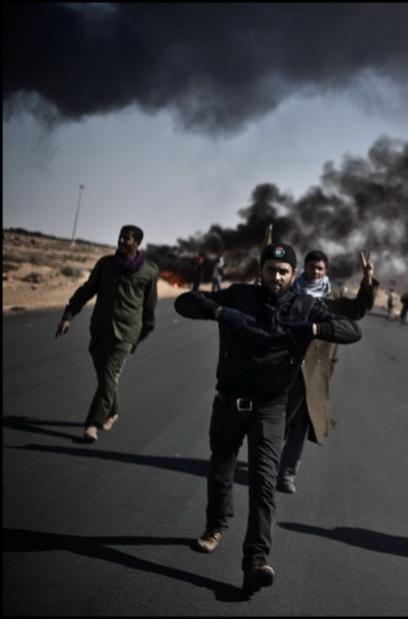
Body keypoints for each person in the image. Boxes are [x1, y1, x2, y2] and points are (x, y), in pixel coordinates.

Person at [174, 243, 361, 594]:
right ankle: (215, 526)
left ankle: (256, 560)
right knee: (221, 468)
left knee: (263, 483)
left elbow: (352, 329)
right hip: (229, 401)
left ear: (293, 276)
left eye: (283, 271)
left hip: (271, 408)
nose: (276, 276)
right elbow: (186, 303)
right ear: (260, 271)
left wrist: (314, 330)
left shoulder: (307, 307)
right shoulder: (238, 296)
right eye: (271, 269)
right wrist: (219, 313)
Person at [277, 249, 379, 494]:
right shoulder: (290, 291)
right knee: (278, 419)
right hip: (284, 363)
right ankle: (268, 460)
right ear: (305, 268)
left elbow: (358, 310)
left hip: (315, 369)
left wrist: (367, 279)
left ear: (326, 271)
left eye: (320, 269)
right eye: (312, 268)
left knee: (302, 421)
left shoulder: (334, 296)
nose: (315, 272)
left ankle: (288, 472)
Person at [55, 225, 159, 443]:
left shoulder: (149, 271)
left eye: (127, 238)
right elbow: (87, 290)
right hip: (100, 330)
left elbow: (149, 309)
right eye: (121, 237)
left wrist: (139, 337)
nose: (121, 241)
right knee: (106, 378)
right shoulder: (105, 265)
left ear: (137, 243)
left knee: (109, 373)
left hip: (126, 333)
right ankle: (113, 411)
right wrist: (68, 315)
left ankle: (93, 423)